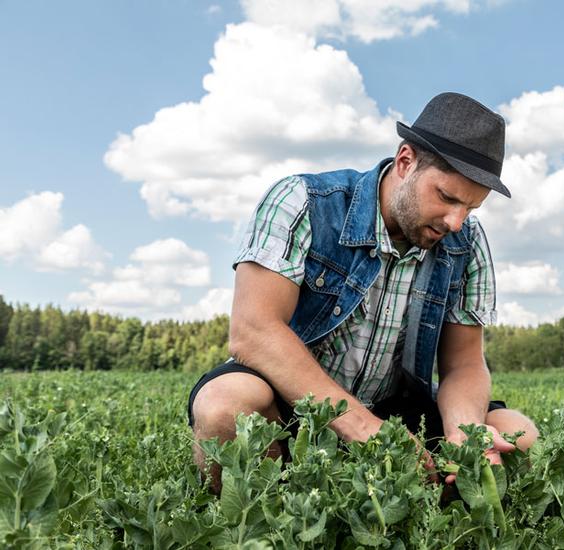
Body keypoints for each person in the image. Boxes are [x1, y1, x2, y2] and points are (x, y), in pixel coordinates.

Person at [188, 92, 539, 492]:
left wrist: (465, 434)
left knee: (517, 435)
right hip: (294, 405)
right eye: (446, 197)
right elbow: (253, 332)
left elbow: (463, 365)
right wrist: (361, 427)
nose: (456, 221)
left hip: (396, 411)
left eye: (471, 209)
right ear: (405, 162)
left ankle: (429, 509)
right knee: (225, 406)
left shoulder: (466, 244)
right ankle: (273, 516)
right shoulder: (303, 202)